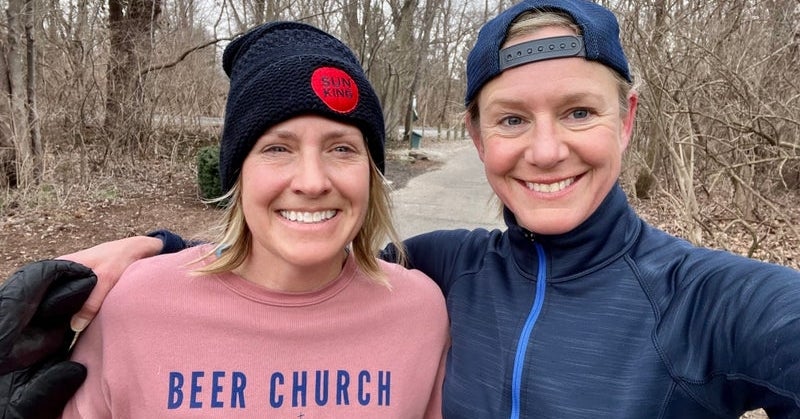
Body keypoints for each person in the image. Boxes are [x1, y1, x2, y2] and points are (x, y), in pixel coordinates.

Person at [2, 0, 800, 417]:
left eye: (580, 112)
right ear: (477, 136)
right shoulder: (445, 269)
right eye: (511, 119)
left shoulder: (710, 301)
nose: (546, 149)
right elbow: (293, 273)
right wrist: (157, 253)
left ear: (626, 120)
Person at [11, 20, 450, 418]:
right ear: (238, 173)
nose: (313, 181)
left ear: (371, 174)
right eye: (277, 148)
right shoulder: (133, 306)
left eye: (342, 148)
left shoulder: (419, 315)